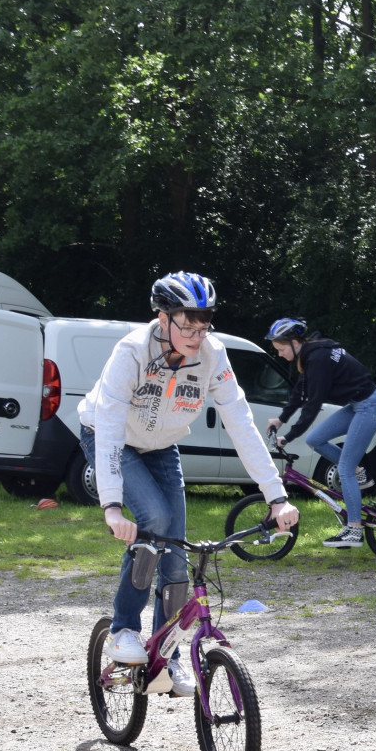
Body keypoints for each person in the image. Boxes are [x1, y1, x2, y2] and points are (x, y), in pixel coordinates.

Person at [78, 273, 299, 693]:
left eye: (204, 327)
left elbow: (241, 423)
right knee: (155, 518)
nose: (198, 337)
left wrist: (276, 496)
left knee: (177, 555)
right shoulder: (131, 351)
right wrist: (112, 505)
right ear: (163, 319)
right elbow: (108, 427)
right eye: (188, 327)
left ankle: (168, 657)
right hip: (112, 438)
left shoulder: (213, 355)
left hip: (162, 446)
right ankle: (123, 630)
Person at [262, 318, 376, 549]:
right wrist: (281, 419)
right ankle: (359, 472)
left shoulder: (317, 359)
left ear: (295, 343)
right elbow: (300, 392)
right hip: (358, 405)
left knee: (344, 470)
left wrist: (288, 436)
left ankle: (354, 530)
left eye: (280, 349)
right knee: (315, 439)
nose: (279, 354)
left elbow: (312, 405)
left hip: (370, 406)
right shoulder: (310, 354)